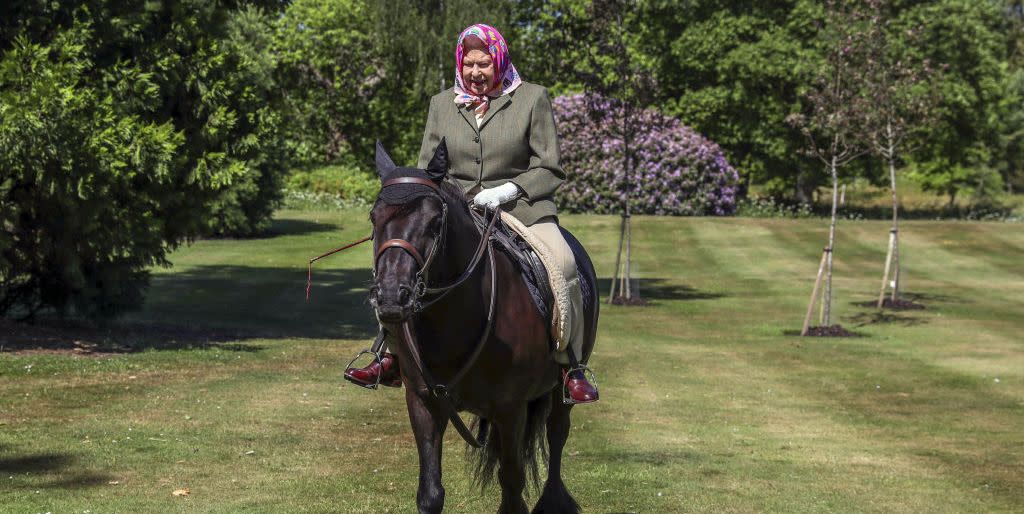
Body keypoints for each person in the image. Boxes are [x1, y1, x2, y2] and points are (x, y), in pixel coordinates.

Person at [345, 23, 598, 403]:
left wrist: (508, 191)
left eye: (484, 64)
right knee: (401, 264)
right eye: (469, 65)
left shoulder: (531, 99)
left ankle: (570, 364)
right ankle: (391, 354)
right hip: (457, 209)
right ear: (460, 64)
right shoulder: (441, 104)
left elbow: (549, 166)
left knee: (563, 262)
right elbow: (429, 169)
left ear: (499, 61)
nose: (477, 73)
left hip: (522, 208)